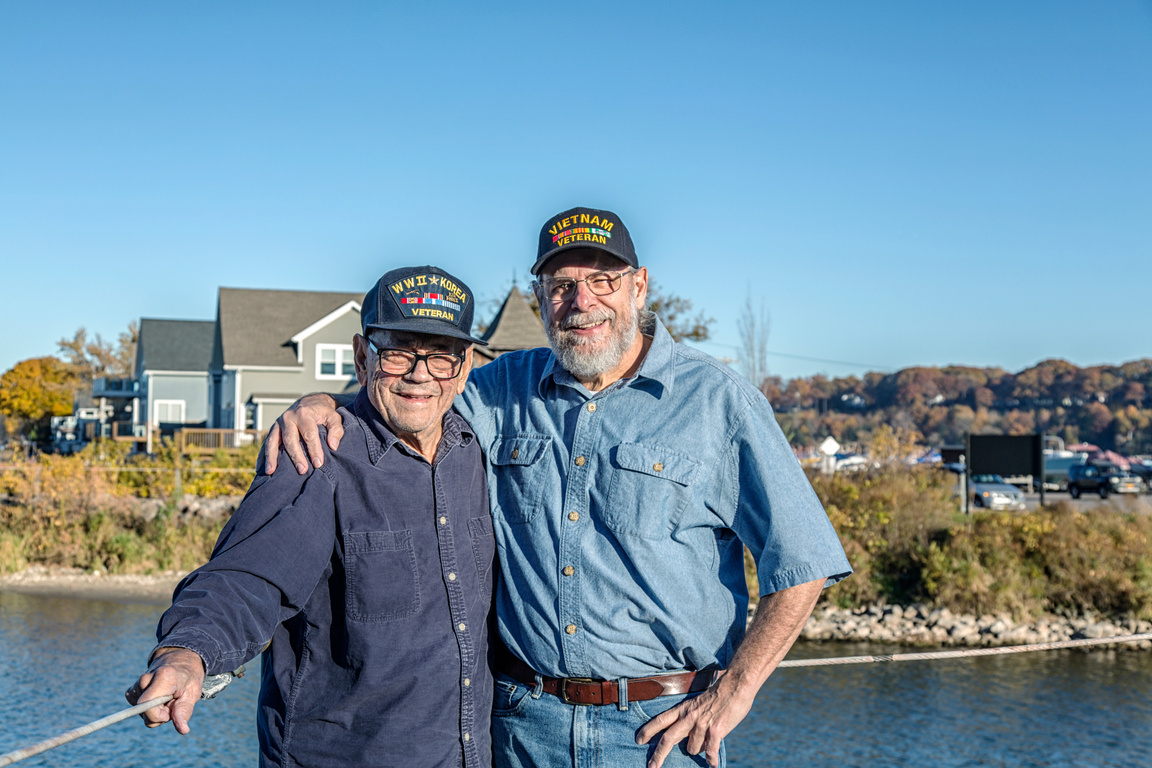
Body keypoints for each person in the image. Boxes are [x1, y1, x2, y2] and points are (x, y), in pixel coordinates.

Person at [267, 207, 853, 768]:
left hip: (661, 729)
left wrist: (736, 691)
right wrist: (325, 403)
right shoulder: (498, 389)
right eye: (561, 284)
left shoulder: (718, 401)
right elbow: (413, 392)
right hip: (523, 726)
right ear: (541, 294)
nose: (582, 302)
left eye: (603, 280)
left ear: (639, 286)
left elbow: (802, 560)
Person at [126, 266, 496, 768]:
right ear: (363, 357)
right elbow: (246, 578)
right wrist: (188, 653)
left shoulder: (478, 454)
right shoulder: (317, 457)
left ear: (466, 365)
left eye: (440, 357)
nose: (419, 373)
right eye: (399, 352)